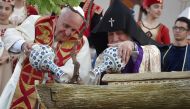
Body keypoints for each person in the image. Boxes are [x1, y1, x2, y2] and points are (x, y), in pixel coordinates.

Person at [2, 6, 91, 108]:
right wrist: (23, 45)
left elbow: (82, 74)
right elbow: (10, 34)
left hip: (53, 98)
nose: (68, 33)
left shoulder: (81, 42)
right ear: (57, 18)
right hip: (21, 90)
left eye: (73, 29)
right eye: (66, 26)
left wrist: (54, 69)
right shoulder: (38, 22)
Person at [90, 0, 146, 84]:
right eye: (110, 34)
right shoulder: (101, 58)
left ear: (130, 34)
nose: (115, 39)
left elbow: (156, 52)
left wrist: (133, 46)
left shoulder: (139, 50)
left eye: (120, 33)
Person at [0, 0, 15, 95]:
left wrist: (8, 57)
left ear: (12, 11)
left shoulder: (14, 29)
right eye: (0, 7)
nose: (3, 11)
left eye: (7, 8)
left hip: (5, 68)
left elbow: (18, 53)